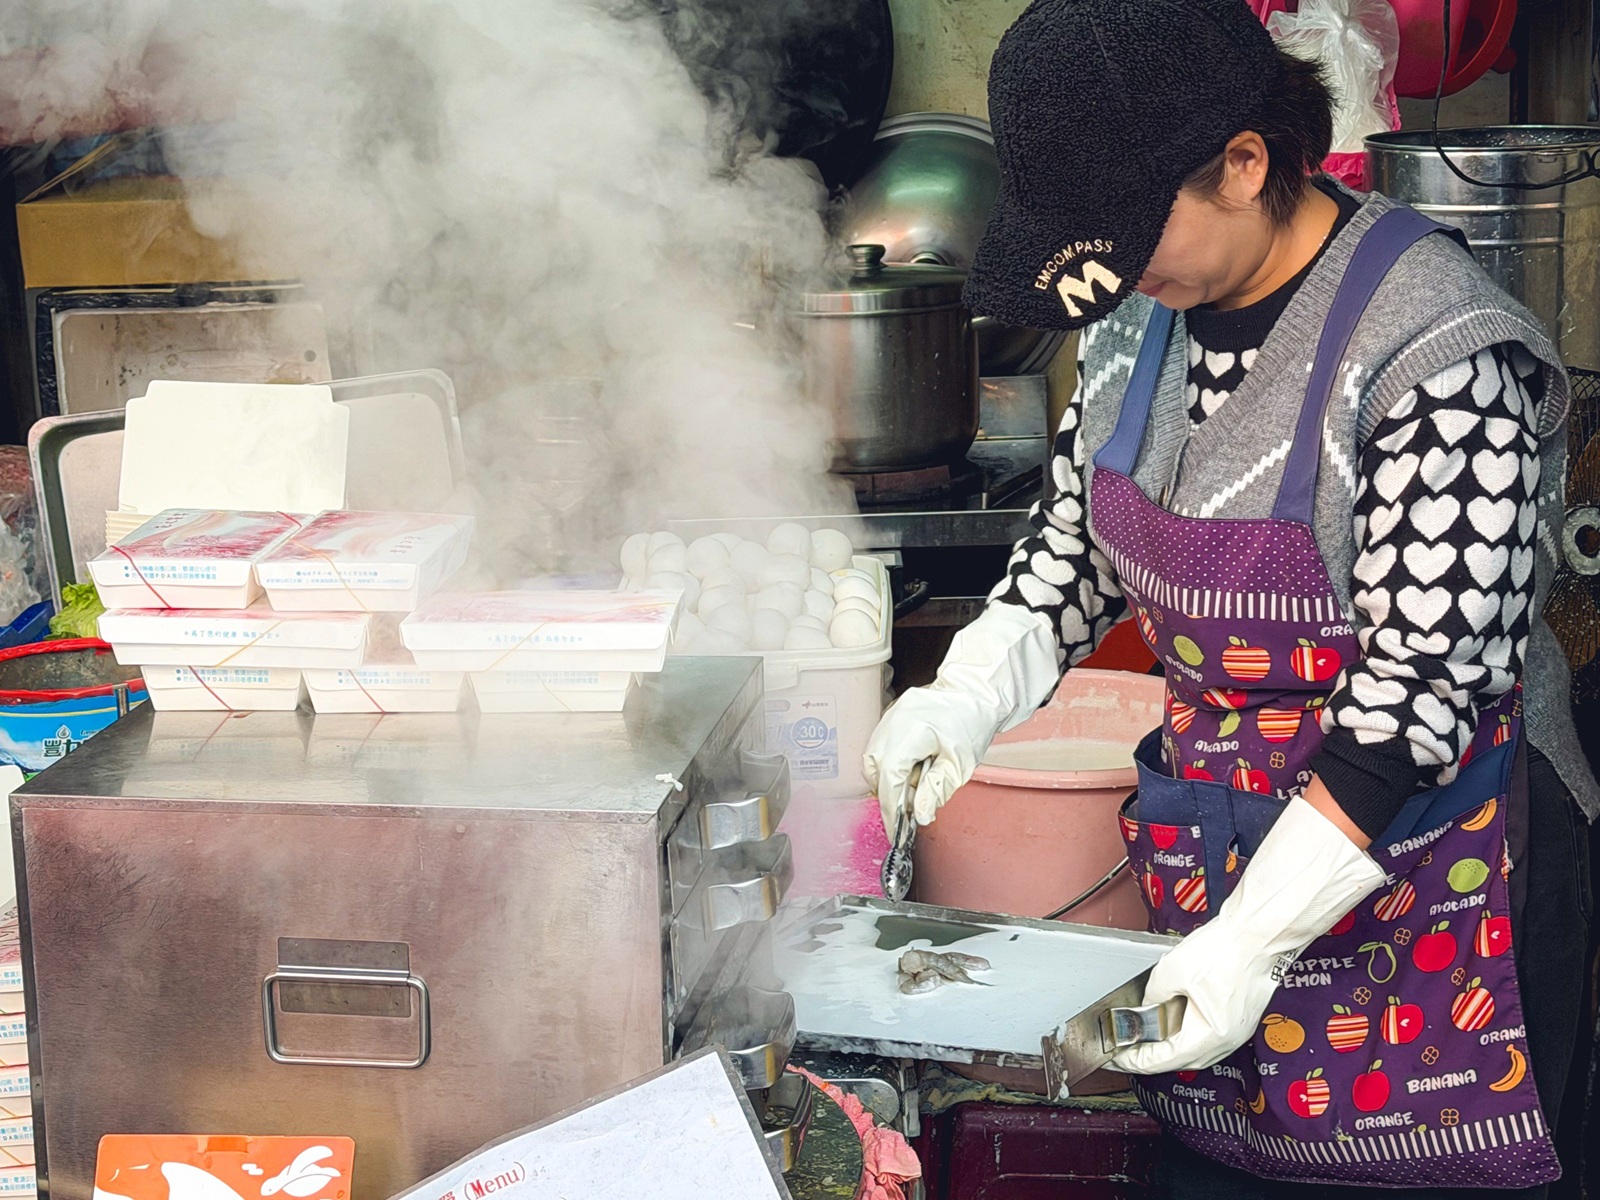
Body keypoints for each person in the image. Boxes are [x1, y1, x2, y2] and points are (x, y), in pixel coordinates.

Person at [861, 0, 1597, 1195]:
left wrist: (1257, 937)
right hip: (1225, 860)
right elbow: (1077, 539)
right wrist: (963, 692)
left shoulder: (1438, 353)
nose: (1104, 268)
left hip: (1434, 881)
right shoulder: (1137, 323)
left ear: (1245, 164)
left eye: (1120, 227)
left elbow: (1416, 699)